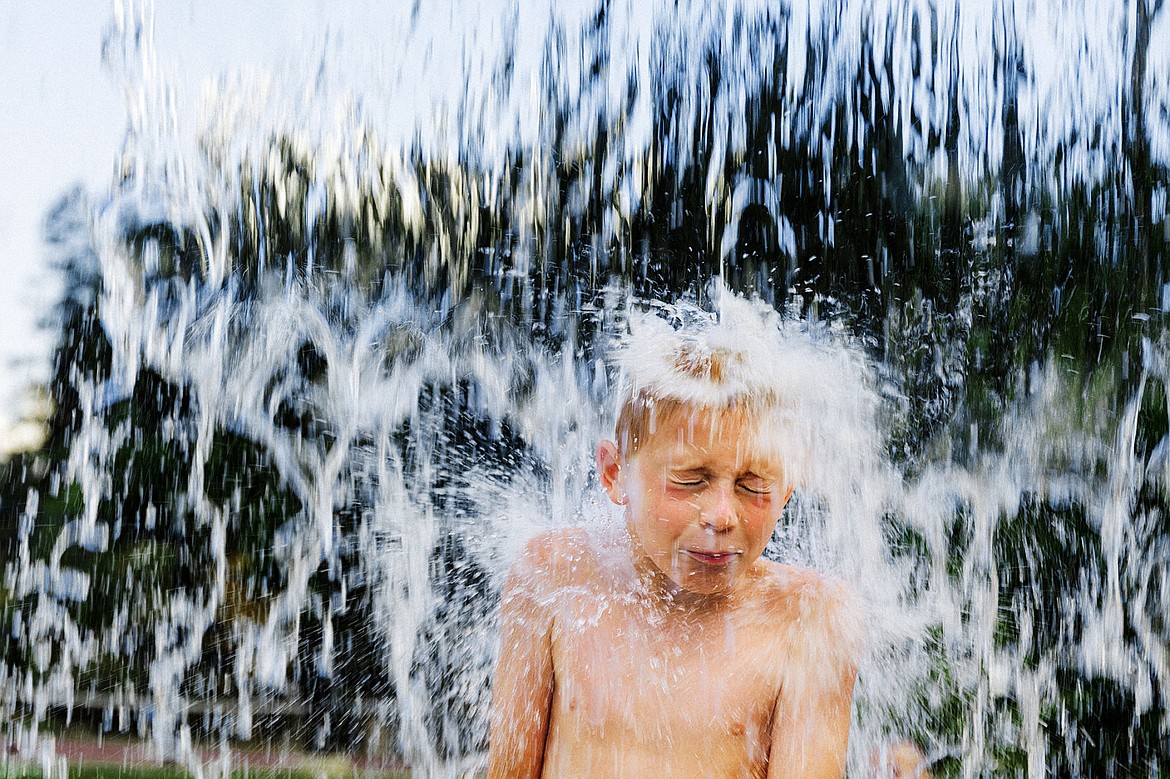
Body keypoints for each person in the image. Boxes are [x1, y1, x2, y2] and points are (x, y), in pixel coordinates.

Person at [487, 293, 866, 778]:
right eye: (690, 481)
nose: (722, 515)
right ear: (614, 473)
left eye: (754, 486)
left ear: (787, 490)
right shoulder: (555, 578)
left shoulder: (808, 621)